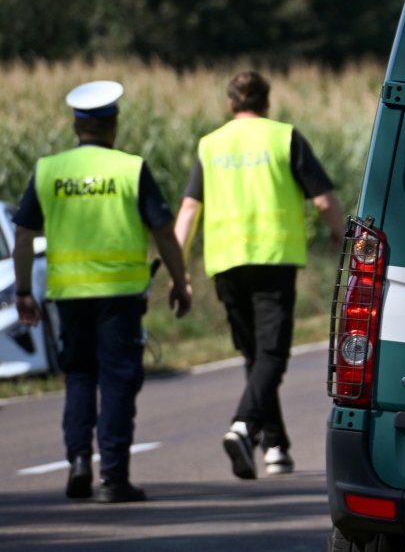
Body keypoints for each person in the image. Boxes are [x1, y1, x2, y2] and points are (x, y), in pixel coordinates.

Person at [10, 80, 192, 503]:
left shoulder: (48, 170)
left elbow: (22, 236)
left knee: (78, 377)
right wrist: (180, 281)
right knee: (117, 381)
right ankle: (113, 477)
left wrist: (23, 292)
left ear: (77, 126)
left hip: (68, 296)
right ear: (113, 125)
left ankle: (77, 461)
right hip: (120, 296)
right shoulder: (131, 168)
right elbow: (163, 231)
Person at [174, 71, 344, 479]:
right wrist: (345, 237)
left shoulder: (210, 144)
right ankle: (242, 426)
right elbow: (322, 200)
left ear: (231, 104)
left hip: (226, 263)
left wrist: (178, 274)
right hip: (273, 257)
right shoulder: (284, 137)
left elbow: (189, 211)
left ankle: (275, 446)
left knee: (256, 355)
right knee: (272, 355)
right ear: (267, 102)